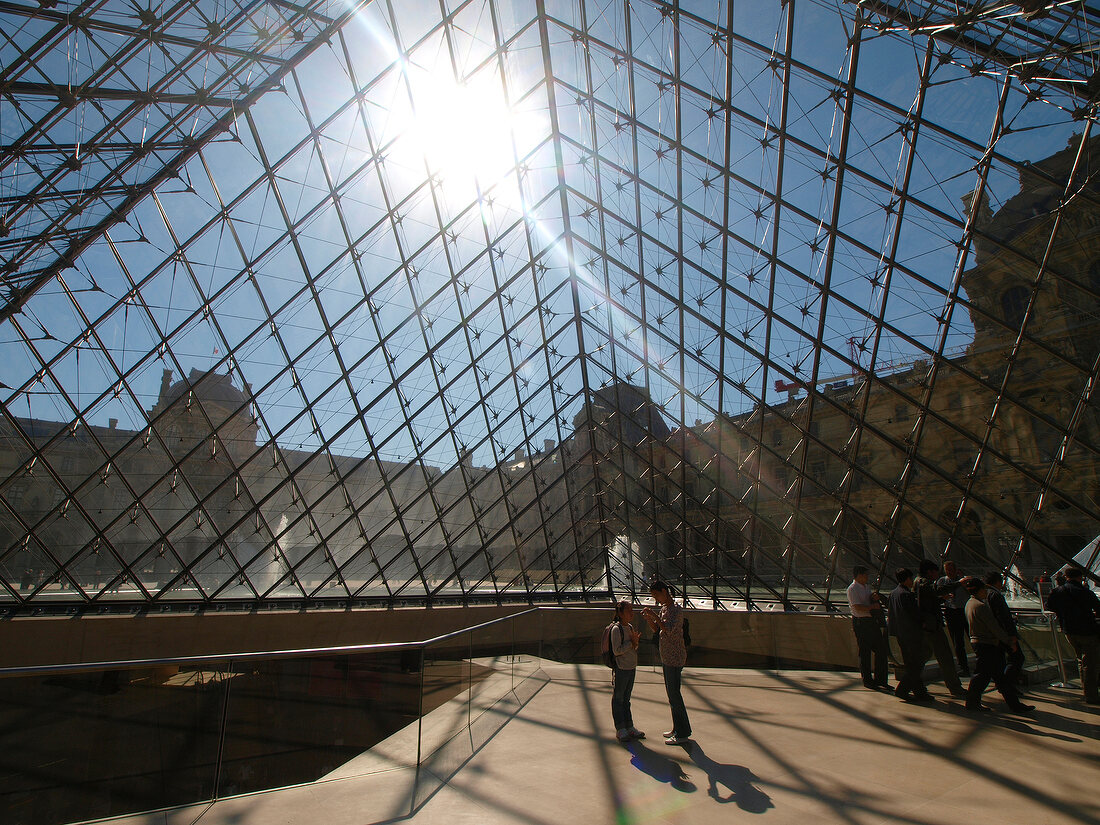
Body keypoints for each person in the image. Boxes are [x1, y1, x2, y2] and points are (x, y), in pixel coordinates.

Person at [961, 576, 1034, 714]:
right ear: (981, 590)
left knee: (993, 677)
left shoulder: (969, 604)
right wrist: (1008, 641)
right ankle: (974, 701)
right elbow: (994, 627)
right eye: (984, 590)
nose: (986, 593)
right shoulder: (981, 606)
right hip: (987, 644)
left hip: (979, 642)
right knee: (984, 676)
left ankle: (1014, 705)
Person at [641, 579, 692, 745]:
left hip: (675, 656)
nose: (656, 599)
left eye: (656, 595)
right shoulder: (665, 608)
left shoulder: (676, 609)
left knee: (675, 695)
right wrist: (650, 619)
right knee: (672, 695)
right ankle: (677, 728)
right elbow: (658, 630)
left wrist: (654, 615)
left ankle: (682, 732)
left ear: (664, 591)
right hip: (667, 656)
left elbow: (669, 629)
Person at [1046, 565, 1100, 705]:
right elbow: (1098, 609)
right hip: (1087, 631)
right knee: (1090, 663)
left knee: (1081, 660)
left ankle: (1086, 689)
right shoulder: (1085, 592)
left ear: (1066, 577)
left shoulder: (1058, 591)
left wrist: (1063, 613)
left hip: (1069, 631)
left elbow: (1049, 606)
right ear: (1080, 577)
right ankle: (1091, 695)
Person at [914, 559, 965, 698]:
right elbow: (936, 591)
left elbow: (927, 600)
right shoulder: (924, 582)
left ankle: (911, 683)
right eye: (936, 571)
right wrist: (959, 583)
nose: (938, 575)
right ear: (929, 571)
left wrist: (942, 599)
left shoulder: (918, 582)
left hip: (925, 625)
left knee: (922, 657)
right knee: (945, 657)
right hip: (932, 626)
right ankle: (955, 687)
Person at [887, 568, 930, 702]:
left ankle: (920, 691)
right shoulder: (906, 595)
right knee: (916, 665)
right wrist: (923, 623)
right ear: (906, 579)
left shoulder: (893, 594)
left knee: (911, 664)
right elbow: (914, 614)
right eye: (911, 579)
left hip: (900, 634)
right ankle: (903, 690)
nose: (912, 581)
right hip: (911, 634)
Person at [847, 565, 889, 689]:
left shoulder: (866, 587)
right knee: (865, 652)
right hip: (861, 622)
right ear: (859, 575)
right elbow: (856, 607)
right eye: (865, 575)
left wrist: (873, 599)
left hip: (870, 621)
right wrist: (872, 607)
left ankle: (880, 680)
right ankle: (868, 680)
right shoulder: (852, 589)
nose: (867, 577)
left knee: (881, 650)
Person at [609, 600, 644, 742]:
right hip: (622, 668)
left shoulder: (629, 627)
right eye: (629, 610)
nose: (632, 613)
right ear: (620, 613)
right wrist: (632, 643)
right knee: (619, 698)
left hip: (631, 666)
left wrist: (634, 644)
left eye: (632, 610)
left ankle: (629, 726)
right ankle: (620, 728)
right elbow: (617, 651)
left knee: (626, 699)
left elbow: (633, 648)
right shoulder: (616, 630)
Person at [983, 571, 1024, 687]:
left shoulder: (985, 594)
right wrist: (1012, 636)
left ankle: (1004, 683)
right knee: (1017, 658)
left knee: (1001, 661)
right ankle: (1006, 684)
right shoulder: (995, 595)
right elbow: (1004, 618)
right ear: (998, 582)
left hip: (993, 634)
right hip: (1004, 635)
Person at [937, 560, 971, 675]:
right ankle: (963, 667)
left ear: (956, 570)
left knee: (972, 637)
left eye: (951, 570)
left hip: (964, 611)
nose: (949, 572)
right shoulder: (942, 581)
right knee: (957, 642)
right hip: (951, 612)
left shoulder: (964, 580)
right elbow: (937, 595)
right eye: (947, 570)